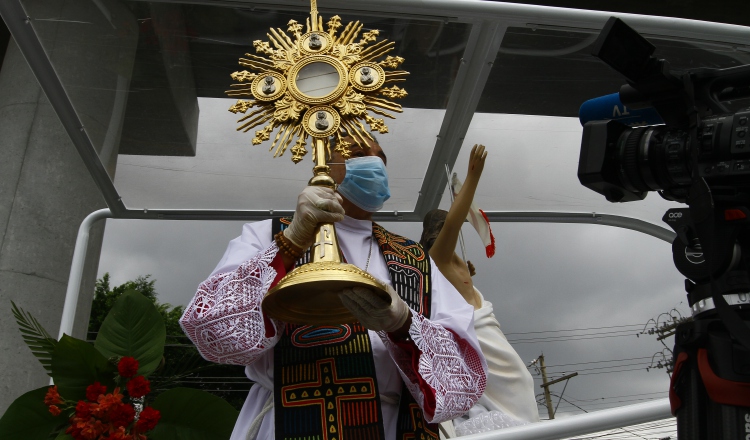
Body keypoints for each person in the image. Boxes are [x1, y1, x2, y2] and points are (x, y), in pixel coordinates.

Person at [180, 134, 487, 440]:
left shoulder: (415, 259)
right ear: (323, 163)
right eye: (358, 152)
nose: (375, 164)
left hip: (395, 424)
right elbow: (215, 335)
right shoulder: (266, 236)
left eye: (380, 157)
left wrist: (402, 323)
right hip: (288, 420)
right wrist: (292, 242)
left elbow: (464, 382)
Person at [419, 145, 539, 437]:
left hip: (489, 332)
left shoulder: (453, 262)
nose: (450, 229)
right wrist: (473, 177)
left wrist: (467, 276)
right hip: (479, 337)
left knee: (523, 383)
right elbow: (455, 221)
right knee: (520, 383)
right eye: (444, 225)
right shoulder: (439, 257)